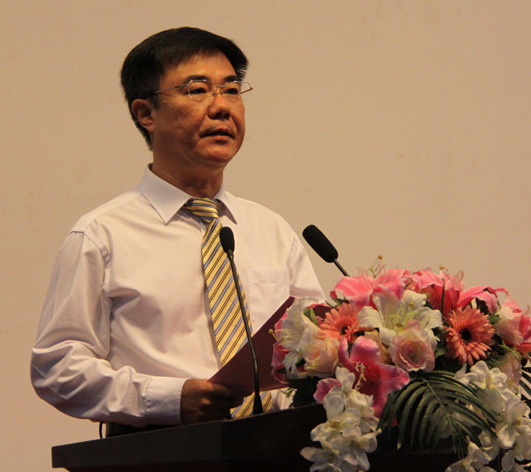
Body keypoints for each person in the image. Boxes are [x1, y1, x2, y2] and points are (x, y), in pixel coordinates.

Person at [30, 27, 324, 431]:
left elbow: (317, 345)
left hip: (269, 447)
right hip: (159, 447)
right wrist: (169, 399)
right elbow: (57, 367)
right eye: (197, 90)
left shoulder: (271, 230)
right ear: (145, 114)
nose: (222, 107)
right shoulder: (101, 235)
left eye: (231, 90)